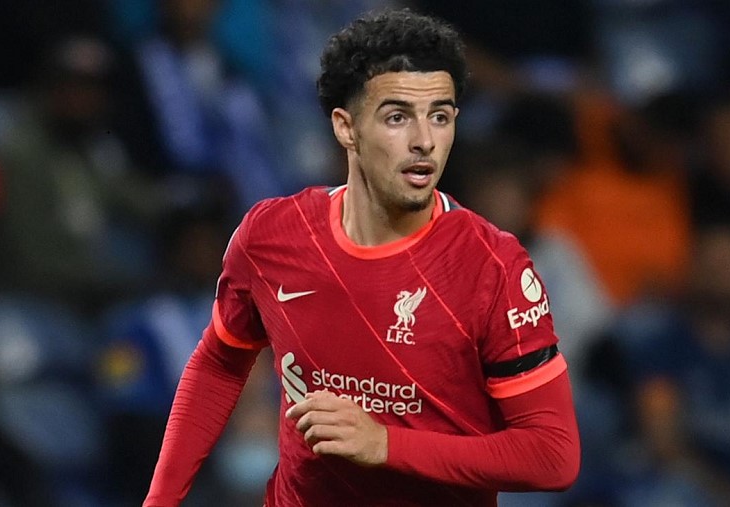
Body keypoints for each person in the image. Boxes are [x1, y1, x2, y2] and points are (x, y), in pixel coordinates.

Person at [144, 9, 580, 506]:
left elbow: (553, 455)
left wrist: (384, 444)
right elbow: (220, 363)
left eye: (439, 116)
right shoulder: (272, 235)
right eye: (397, 117)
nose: (424, 141)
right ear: (346, 128)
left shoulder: (492, 266)